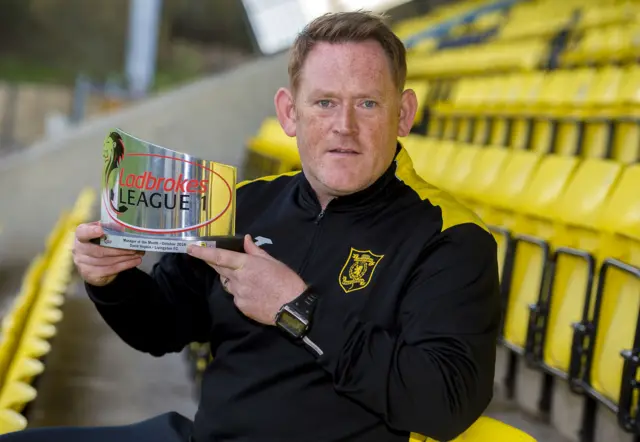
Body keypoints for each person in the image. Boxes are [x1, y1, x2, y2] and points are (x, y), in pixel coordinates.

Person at [1, 10, 500, 442]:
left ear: (404, 113)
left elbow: (445, 402)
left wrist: (297, 310)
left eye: (367, 103)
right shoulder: (241, 204)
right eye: (324, 102)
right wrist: (110, 281)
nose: (344, 125)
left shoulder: (450, 238)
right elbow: (163, 325)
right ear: (289, 113)